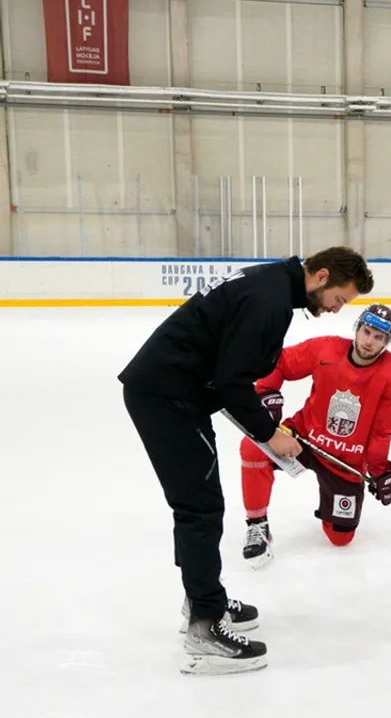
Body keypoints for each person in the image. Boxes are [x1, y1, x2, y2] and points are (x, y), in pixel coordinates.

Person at [118, 247, 374, 675]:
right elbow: (232, 381)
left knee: (200, 504)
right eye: (340, 298)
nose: (336, 310)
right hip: (167, 396)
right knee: (199, 507)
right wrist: (271, 434)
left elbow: (230, 370)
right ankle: (204, 624)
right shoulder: (270, 301)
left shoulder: (272, 286)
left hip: (176, 392)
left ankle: (204, 598)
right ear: (322, 275)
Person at [239, 304, 391, 567]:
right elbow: (278, 362)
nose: (369, 342)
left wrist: (379, 470)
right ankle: (257, 525)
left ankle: (333, 510)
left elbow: (382, 430)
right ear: (357, 328)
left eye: (379, 338)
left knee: (341, 538)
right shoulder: (326, 349)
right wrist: (266, 392)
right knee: (253, 446)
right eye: (366, 332)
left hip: (346, 462)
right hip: (302, 440)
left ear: (388, 341)